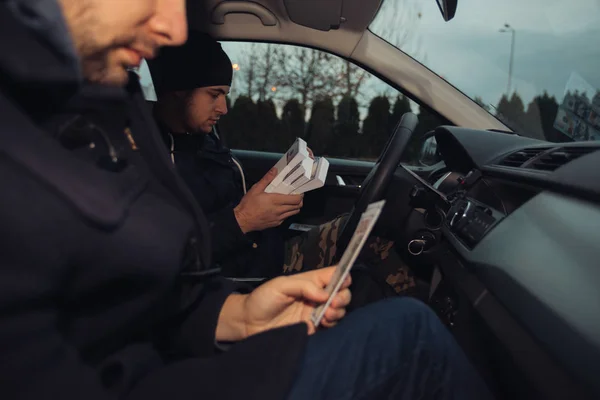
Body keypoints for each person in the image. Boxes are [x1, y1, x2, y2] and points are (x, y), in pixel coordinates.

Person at [0, 1, 492, 400]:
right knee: (409, 333)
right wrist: (240, 223)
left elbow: (133, 295)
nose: (172, 26)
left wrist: (232, 315)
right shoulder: (50, 139)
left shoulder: (108, 111)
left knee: (369, 284)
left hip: (200, 327)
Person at [150, 32, 419, 302]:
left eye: (225, 95)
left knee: (368, 233)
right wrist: (243, 220)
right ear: (178, 91)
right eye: (214, 94)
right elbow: (169, 254)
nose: (223, 108)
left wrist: (285, 186)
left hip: (268, 251)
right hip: (248, 282)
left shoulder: (203, 140)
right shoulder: (154, 159)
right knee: (371, 268)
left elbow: (233, 204)